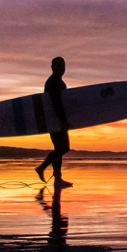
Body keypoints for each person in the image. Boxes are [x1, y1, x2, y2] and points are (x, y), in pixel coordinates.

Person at [35, 57, 73, 188]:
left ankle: (57, 178)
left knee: (60, 148)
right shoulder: (54, 82)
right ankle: (43, 168)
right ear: (52, 67)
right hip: (55, 119)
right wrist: (62, 120)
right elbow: (56, 103)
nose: (61, 68)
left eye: (63, 66)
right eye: (58, 66)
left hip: (54, 119)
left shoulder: (57, 81)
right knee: (63, 148)